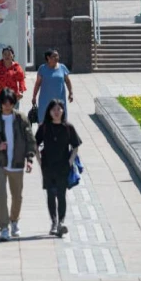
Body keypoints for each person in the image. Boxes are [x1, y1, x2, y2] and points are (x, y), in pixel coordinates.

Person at [0, 89, 36, 242]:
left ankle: (14, 221)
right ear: (0, 103)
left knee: (17, 196)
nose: (7, 105)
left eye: (10, 102)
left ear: (14, 103)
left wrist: (29, 158)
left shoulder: (21, 118)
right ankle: (4, 228)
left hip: (17, 163)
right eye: (4, 102)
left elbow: (30, 140)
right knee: (1, 196)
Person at [35, 99, 82, 237]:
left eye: (59, 109)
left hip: (63, 167)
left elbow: (75, 146)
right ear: (49, 112)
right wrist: (39, 161)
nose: (56, 112)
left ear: (63, 111)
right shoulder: (44, 127)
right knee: (51, 194)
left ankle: (61, 222)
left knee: (61, 194)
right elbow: (34, 144)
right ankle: (54, 222)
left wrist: (70, 162)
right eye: (54, 109)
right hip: (48, 166)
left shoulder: (68, 127)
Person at [31, 49, 74, 124]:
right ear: (48, 58)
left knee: (60, 121)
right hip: (45, 101)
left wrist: (71, 93)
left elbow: (68, 81)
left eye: (57, 56)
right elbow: (37, 84)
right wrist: (34, 96)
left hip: (59, 101)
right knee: (44, 122)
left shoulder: (62, 67)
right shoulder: (42, 69)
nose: (56, 57)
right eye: (54, 56)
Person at [0, 46, 26, 110]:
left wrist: (21, 92)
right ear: (2, 55)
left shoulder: (17, 67)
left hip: (13, 97)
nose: (7, 56)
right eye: (5, 54)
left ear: (13, 56)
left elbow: (21, 80)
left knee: (13, 116)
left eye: (9, 54)